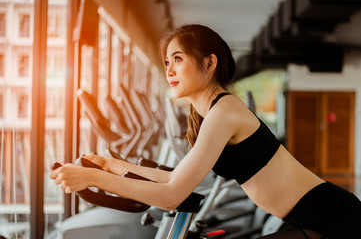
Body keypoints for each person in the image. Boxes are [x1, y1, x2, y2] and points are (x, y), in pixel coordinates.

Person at [50, 24, 361, 238]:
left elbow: (172, 196)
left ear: (209, 63)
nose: (169, 69)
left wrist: (91, 178)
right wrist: (112, 166)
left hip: (331, 218)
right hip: (312, 217)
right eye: (166, 61)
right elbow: (174, 178)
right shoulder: (210, 114)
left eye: (178, 59)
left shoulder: (224, 112)